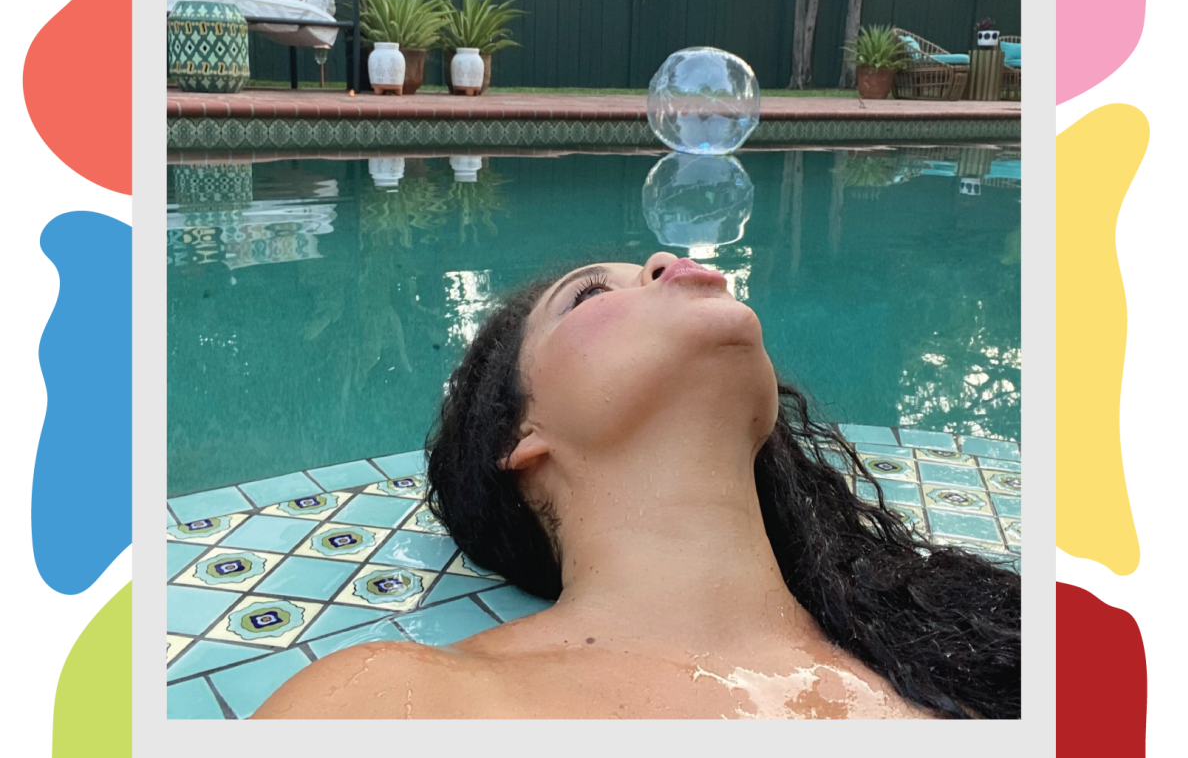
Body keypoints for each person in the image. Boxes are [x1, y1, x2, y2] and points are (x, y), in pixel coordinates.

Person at [251, 252, 1020, 720]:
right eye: (590, 295)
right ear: (519, 437)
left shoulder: (975, 657)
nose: (663, 261)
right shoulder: (387, 705)